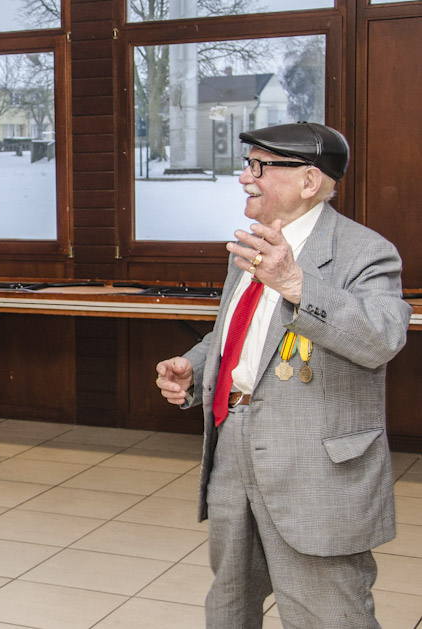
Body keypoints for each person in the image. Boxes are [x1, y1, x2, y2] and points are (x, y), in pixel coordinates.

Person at [155, 122, 411, 628]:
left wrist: (297, 282)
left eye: (259, 166)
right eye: (247, 164)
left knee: (326, 612)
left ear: (309, 181)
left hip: (313, 464)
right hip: (234, 446)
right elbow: (236, 336)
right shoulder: (252, 247)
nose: (245, 177)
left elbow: (382, 338)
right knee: (230, 600)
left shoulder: (365, 252)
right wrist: (194, 368)